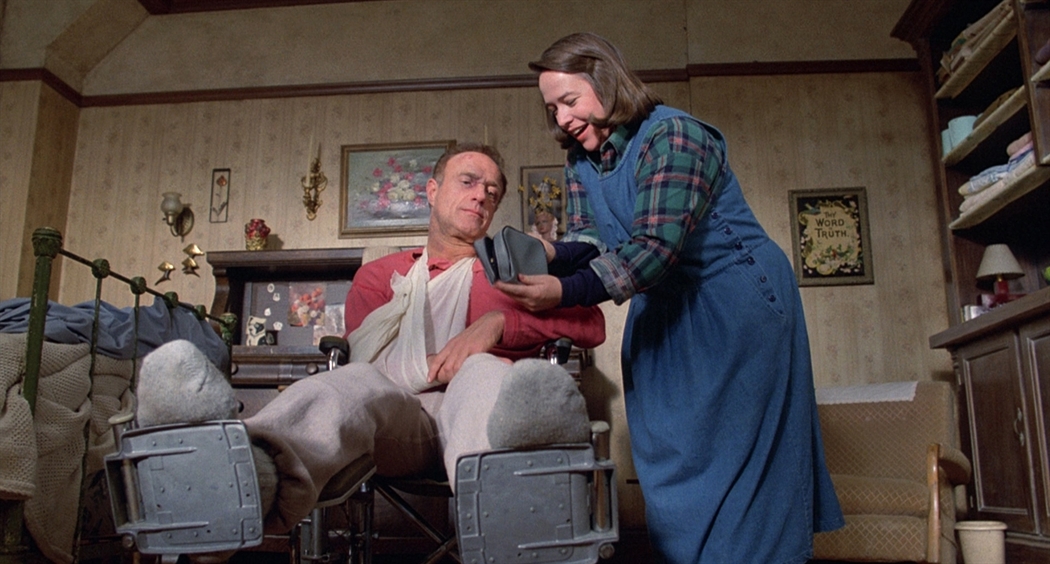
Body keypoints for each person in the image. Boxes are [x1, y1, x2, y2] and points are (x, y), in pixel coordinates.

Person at [136, 142, 606, 545]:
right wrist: (429, 366)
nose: (482, 194)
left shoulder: (514, 272)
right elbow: (373, 363)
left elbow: (591, 323)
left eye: (492, 191)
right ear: (432, 190)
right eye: (468, 181)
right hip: (399, 415)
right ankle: (238, 474)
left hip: (479, 415)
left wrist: (500, 323)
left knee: (483, 372)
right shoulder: (381, 275)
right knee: (353, 381)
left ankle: (521, 518)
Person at [495, 33, 844, 563]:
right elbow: (592, 240)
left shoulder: (674, 136)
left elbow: (655, 247)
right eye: (552, 109)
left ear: (606, 81)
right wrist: (551, 253)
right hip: (662, 306)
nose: (562, 119)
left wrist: (563, 290)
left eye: (569, 101)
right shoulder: (581, 161)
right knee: (669, 456)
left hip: (731, 300)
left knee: (738, 460)